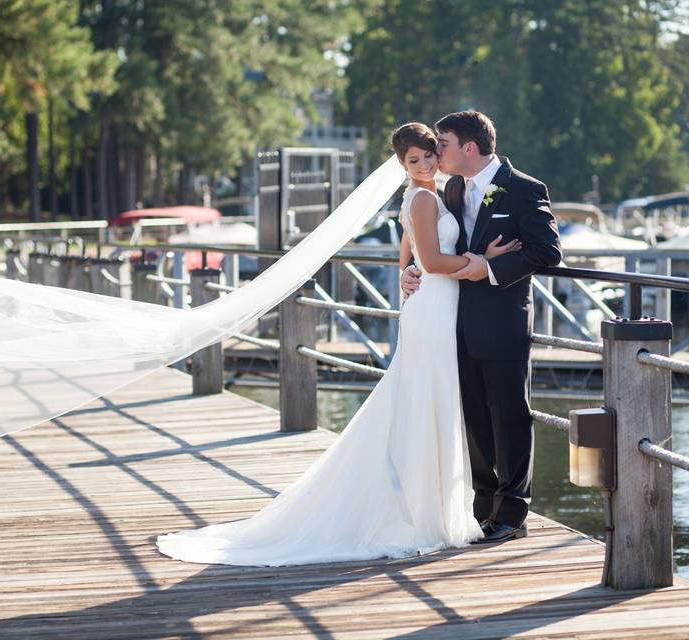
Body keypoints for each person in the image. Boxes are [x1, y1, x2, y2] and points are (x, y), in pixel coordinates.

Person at [156, 123, 521, 566]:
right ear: (401, 165)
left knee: (430, 406)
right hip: (434, 313)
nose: (426, 164)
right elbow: (432, 259)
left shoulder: (436, 194)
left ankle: (431, 509)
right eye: (415, 160)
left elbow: (409, 252)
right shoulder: (424, 197)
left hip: (439, 307)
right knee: (427, 403)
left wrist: (408, 273)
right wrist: (484, 262)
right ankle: (423, 515)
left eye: (429, 155)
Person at [401, 110, 561, 544]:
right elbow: (427, 242)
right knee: (473, 418)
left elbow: (547, 252)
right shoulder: (451, 188)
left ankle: (512, 514)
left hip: (503, 320)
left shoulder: (524, 188)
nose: (437, 151)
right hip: (452, 320)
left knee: (509, 415)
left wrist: (489, 269)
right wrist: (409, 269)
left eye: (444, 143)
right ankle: (481, 508)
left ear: (468, 147)